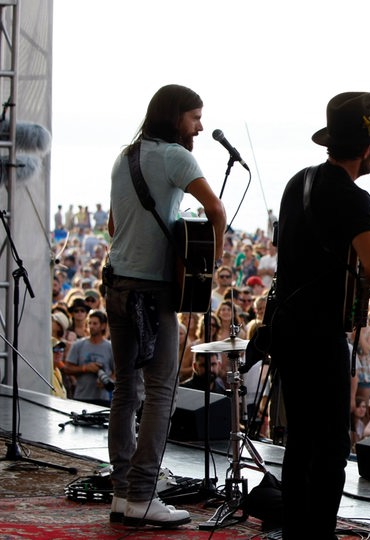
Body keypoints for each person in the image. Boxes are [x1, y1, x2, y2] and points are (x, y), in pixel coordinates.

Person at [271, 91, 370, 539]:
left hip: (284, 326)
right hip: (319, 333)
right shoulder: (353, 197)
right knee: (330, 446)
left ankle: (295, 532)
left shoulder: (297, 182)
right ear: (369, 148)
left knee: (300, 440)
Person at [104, 84, 226, 527]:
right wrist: (206, 264)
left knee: (126, 388)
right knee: (161, 391)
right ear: (177, 118)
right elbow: (215, 209)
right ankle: (142, 495)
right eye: (195, 117)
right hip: (152, 291)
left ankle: (122, 493)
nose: (199, 125)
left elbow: (114, 224)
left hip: (116, 283)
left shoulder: (125, 156)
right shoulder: (178, 157)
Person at [62, 309, 114, 407]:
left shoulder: (110, 347)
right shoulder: (78, 345)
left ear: (103, 326)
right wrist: (85, 368)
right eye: (89, 323)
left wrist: (108, 381)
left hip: (102, 398)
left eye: (95, 323)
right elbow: (67, 369)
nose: (91, 326)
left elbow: (117, 372)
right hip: (81, 396)